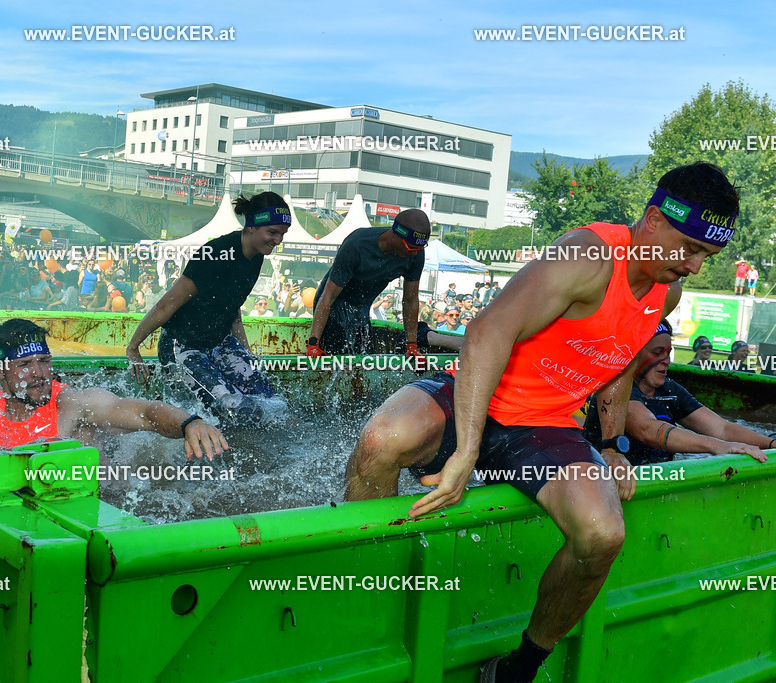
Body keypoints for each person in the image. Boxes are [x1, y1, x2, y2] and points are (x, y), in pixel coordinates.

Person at [343, 162, 740, 683]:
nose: (693, 266)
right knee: (380, 440)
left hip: (544, 424)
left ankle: (519, 668)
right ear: (651, 220)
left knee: (602, 534)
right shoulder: (588, 255)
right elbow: (487, 331)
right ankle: (367, 602)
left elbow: (621, 361)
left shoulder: (666, 291)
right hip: (477, 393)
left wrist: (614, 440)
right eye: (688, 248)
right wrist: (466, 450)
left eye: (705, 257)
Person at [0, 318, 227, 458]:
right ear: (0, 371)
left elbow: (144, 411)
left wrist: (190, 423)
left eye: (44, 361)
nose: (39, 374)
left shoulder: (75, 404)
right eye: (25, 365)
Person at [126, 192, 289, 424]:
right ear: (251, 226)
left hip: (219, 341)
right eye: (272, 232)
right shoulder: (216, 253)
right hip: (183, 345)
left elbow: (233, 308)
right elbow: (167, 304)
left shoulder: (256, 256)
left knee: (272, 401)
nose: (277, 241)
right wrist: (133, 347)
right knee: (233, 408)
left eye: (282, 234)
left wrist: (245, 352)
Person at [583, 322, 776, 465]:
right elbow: (647, 430)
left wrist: (774, 444)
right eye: (657, 352)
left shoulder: (670, 390)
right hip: (604, 479)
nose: (666, 360)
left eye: (668, 352)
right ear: (634, 354)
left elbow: (723, 428)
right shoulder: (614, 388)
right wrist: (715, 446)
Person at [307, 208, 428, 358]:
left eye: (419, 249)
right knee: (336, 358)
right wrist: (313, 343)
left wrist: (412, 345)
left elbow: (410, 300)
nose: (414, 253)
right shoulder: (357, 245)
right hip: (335, 304)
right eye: (411, 248)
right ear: (395, 234)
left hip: (362, 307)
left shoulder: (415, 253)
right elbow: (328, 296)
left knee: (363, 361)